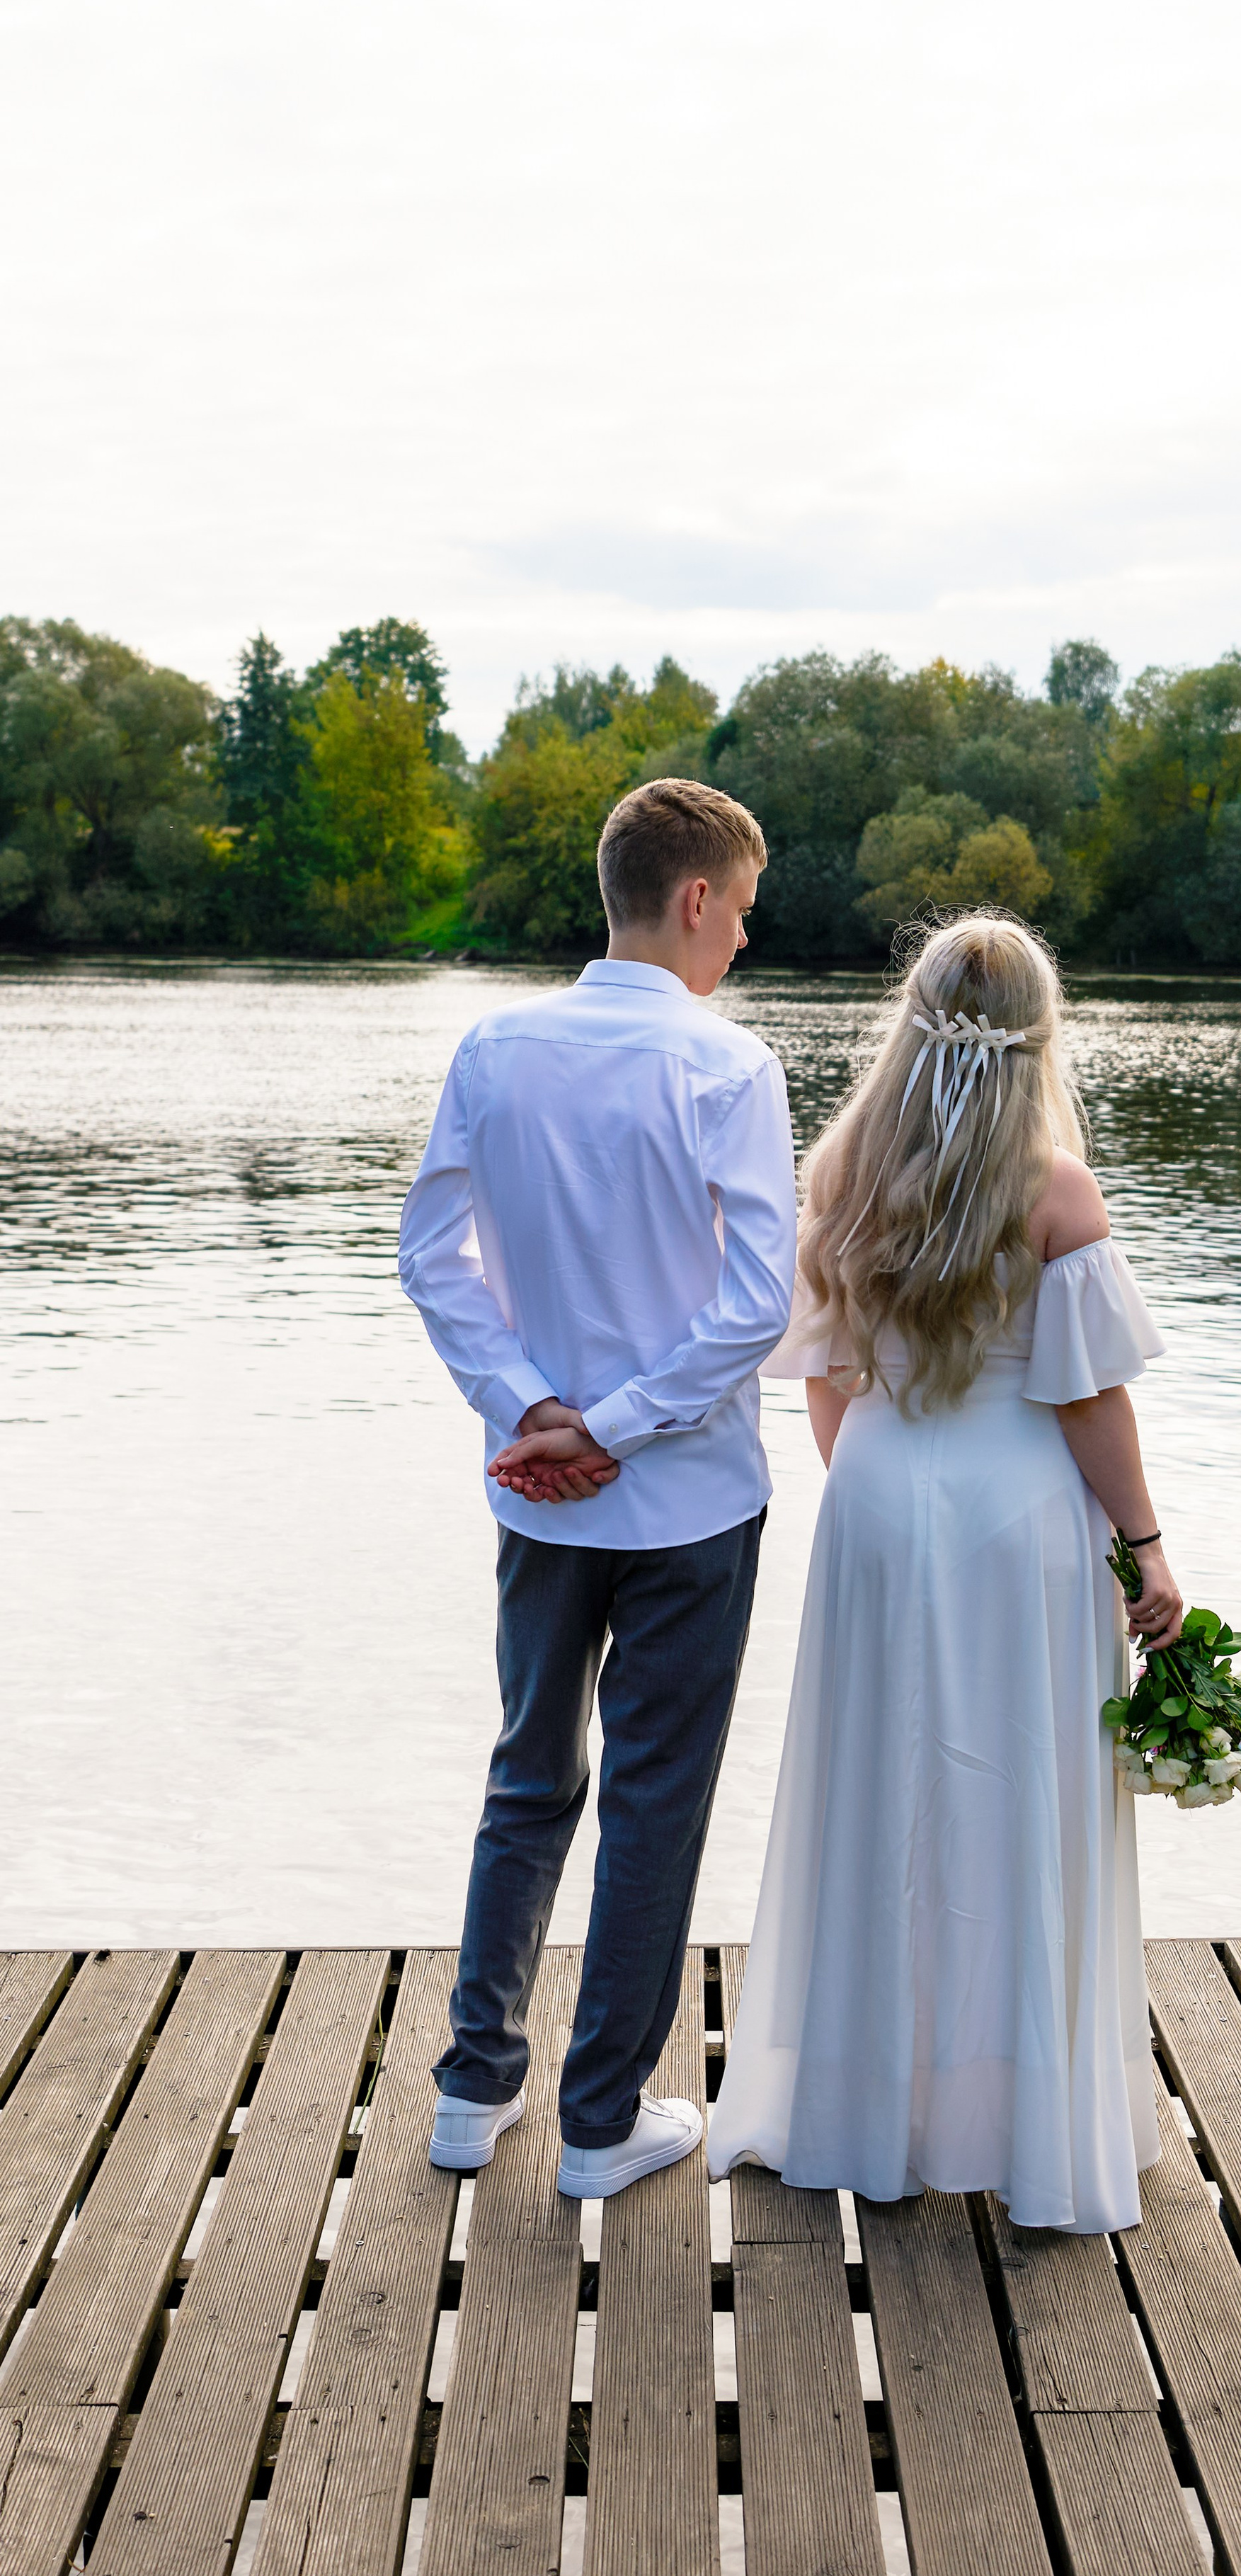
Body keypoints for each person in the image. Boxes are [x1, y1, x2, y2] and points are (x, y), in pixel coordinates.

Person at [708, 911, 1182, 2233]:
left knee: (879, 1797)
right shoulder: (1057, 1190)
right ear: (1043, 1034)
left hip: (875, 1493)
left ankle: (870, 2105)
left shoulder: (843, 1167)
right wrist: (1146, 1549)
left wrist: (873, 1490)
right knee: (1010, 1800)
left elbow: (827, 1378)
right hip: (1016, 1516)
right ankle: (1015, 2120)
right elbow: (1091, 1404)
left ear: (909, 1018)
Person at [398, 779, 796, 2199]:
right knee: (651, 1800)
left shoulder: (493, 1047)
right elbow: (760, 1301)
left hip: (535, 1493)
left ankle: (469, 2086)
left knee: (525, 1773)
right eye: (740, 909)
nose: (742, 938)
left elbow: (430, 1254)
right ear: (693, 899)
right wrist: (616, 1423)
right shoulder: (728, 1068)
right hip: (683, 1502)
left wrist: (531, 1408)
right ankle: (597, 2122)